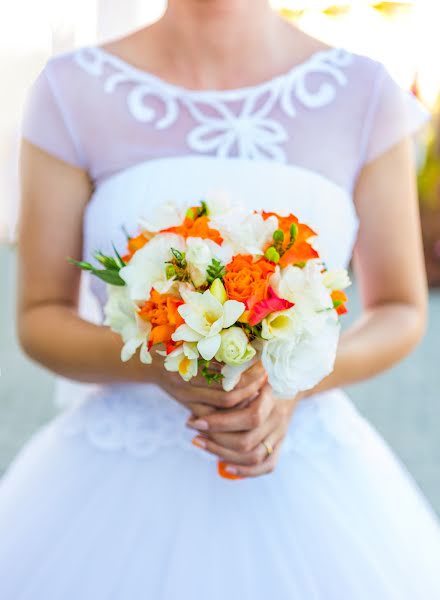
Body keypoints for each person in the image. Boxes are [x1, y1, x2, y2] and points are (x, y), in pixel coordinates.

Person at [1, 1, 440, 598]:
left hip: (310, 474)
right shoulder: (71, 89)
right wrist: (159, 359)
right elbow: (39, 316)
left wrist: (288, 385)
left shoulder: (363, 92)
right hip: (117, 478)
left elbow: (400, 309)